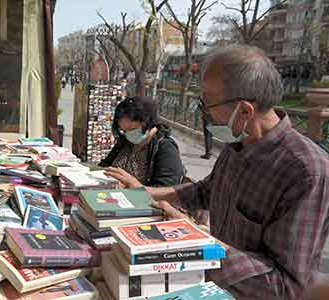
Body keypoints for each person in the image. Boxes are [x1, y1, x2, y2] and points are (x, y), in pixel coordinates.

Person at [114, 45, 329, 299]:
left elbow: (287, 288)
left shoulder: (306, 173)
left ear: (245, 111)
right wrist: (148, 193)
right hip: (210, 285)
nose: (202, 112)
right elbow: (207, 190)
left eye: (207, 104)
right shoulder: (239, 142)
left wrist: (197, 241)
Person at [101, 96, 184, 187]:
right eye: (124, 130)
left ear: (147, 123)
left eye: (132, 129)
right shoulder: (126, 141)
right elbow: (106, 164)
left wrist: (131, 186)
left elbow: (166, 188)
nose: (128, 134)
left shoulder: (165, 147)